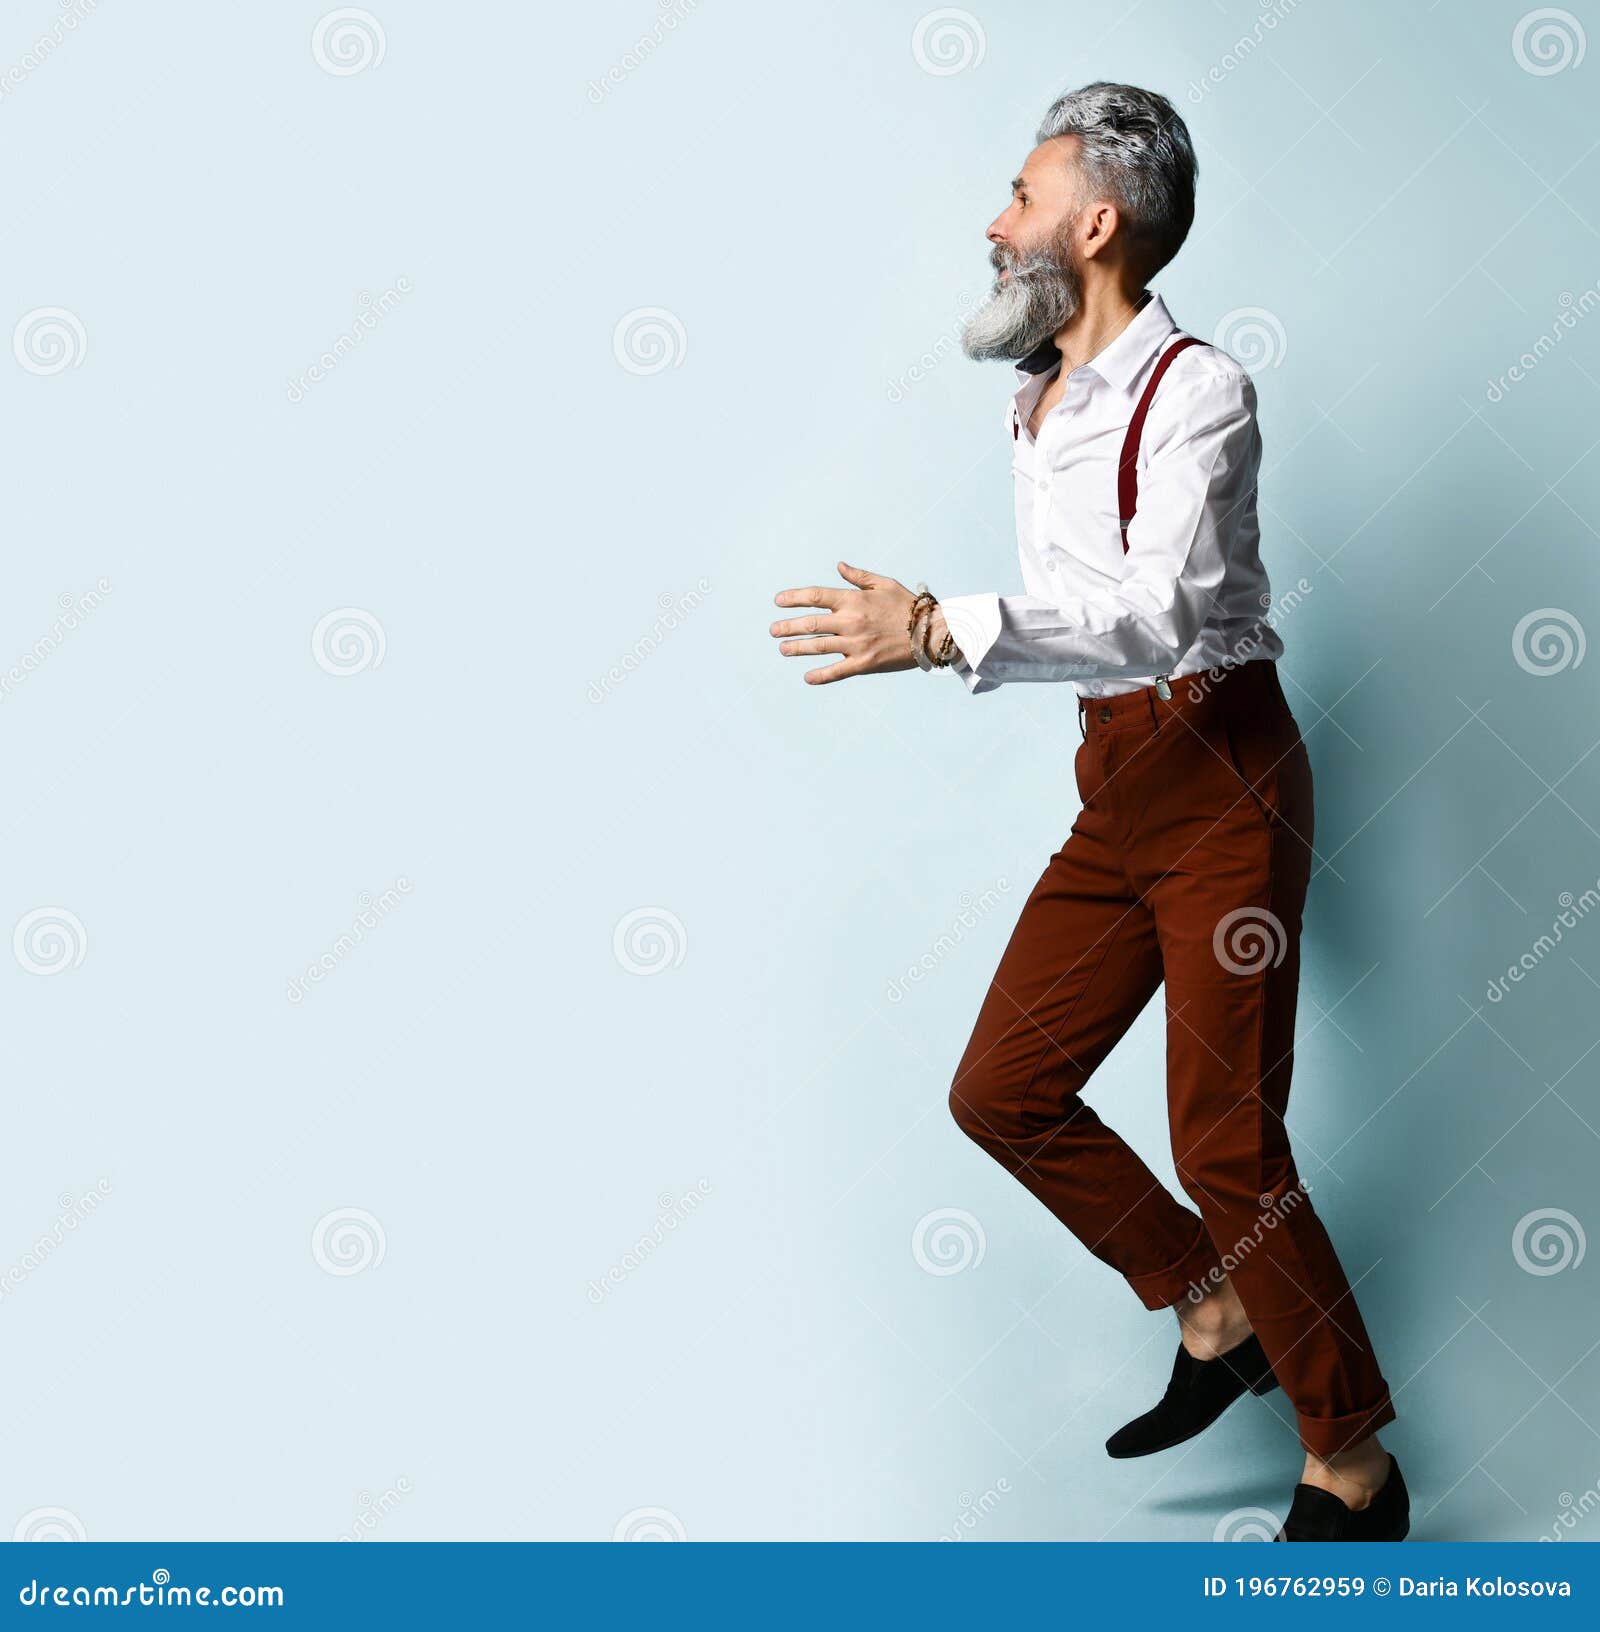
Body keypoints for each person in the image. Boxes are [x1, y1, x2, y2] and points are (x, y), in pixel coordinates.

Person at [768, 82, 1405, 1543]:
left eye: (1019, 195)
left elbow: (1155, 612)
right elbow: (1084, 625)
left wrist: (934, 627)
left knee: (1229, 1145)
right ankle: (1213, 1304)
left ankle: (1353, 1461)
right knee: (1003, 1088)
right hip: (1114, 780)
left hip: (1224, 776)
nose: (994, 226)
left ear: (1095, 222)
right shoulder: (1035, 395)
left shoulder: (1198, 392)